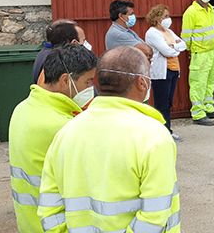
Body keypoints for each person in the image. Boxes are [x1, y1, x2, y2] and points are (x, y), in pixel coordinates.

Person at [38, 46, 180, 233]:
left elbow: (49, 208)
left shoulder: (66, 133)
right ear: (142, 83)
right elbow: (155, 216)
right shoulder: (154, 136)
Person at [9, 45, 97, 232]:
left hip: (30, 222)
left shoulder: (22, 108)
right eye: (88, 81)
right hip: (56, 225)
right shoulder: (63, 126)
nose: (91, 88)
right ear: (65, 80)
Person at [181, 0, 214, 126]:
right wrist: (191, 50)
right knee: (198, 84)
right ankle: (198, 113)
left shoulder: (211, 10)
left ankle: (208, 107)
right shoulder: (191, 12)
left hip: (212, 52)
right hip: (200, 53)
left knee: (211, 82)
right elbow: (186, 35)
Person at [145, 4, 186, 140]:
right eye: (165, 16)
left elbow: (183, 44)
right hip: (162, 73)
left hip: (173, 70)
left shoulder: (168, 31)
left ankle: (167, 129)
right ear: (157, 18)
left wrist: (173, 46)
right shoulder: (152, 33)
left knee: (168, 103)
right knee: (161, 103)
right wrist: (175, 47)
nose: (168, 19)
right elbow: (166, 51)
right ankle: (162, 132)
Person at [32, 19, 91, 84]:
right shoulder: (60, 62)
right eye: (83, 40)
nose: (86, 43)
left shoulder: (46, 53)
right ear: (74, 43)